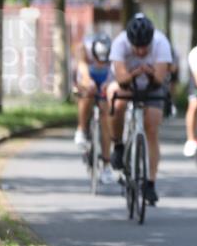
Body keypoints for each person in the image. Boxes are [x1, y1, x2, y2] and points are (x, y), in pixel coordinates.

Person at [106, 13, 172, 205]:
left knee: (151, 127)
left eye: (145, 47)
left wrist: (150, 74)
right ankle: (118, 145)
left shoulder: (161, 43)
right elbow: (121, 78)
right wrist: (135, 72)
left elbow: (160, 79)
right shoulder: (120, 43)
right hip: (128, 84)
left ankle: (150, 183)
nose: (142, 52)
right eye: (137, 47)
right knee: (117, 102)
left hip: (152, 87)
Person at [72, 32, 115, 184]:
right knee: (87, 94)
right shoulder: (85, 49)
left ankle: (106, 163)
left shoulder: (114, 54)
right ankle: (82, 129)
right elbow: (82, 69)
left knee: (106, 114)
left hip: (106, 78)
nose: (101, 62)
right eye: (98, 59)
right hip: (88, 76)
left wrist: (108, 86)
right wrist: (87, 81)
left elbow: (114, 76)